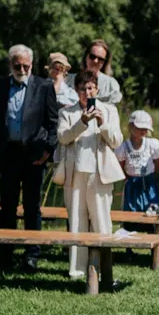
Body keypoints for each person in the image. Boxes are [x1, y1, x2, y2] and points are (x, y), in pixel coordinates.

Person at [0, 44, 60, 274]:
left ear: (32, 65)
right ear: (10, 65)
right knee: (6, 206)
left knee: (32, 207)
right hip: (7, 153)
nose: (22, 69)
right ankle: (6, 253)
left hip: (34, 155)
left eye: (26, 65)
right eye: (17, 65)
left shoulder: (44, 86)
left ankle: (31, 254)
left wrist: (48, 150)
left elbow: (53, 122)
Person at [58, 71, 122, 281]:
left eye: (90, 88)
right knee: (76, 221)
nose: (87, 92)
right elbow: (63, 138)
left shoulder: (109, 110)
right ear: (76, 91)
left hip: (100, 174)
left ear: (97, 89)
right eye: (83, 89)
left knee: (102, 221)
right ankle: (77, 270)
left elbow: (116, 142)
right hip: (75, 174)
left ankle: (104, 268)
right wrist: (82, 122)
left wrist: (102, 124)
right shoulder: (67, 112)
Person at [117, 111, 159, 214]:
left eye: (145, 128)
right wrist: (128, 177)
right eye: (140, 128)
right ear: (131, 126)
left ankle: (153, 228)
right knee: (131, 211)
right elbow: (121, 166)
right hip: (132, 185)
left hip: (149, 182)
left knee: (152, 208)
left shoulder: (152, 144)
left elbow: (158, 164)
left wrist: (153, 176)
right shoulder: (123, 147)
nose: (143, 130)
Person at [83, 39, 123, 105]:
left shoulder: (111, 84)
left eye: (100, 59)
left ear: (105, 62)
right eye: (92, 56)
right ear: (86, 56)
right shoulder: (69, 80)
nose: (95, 61)